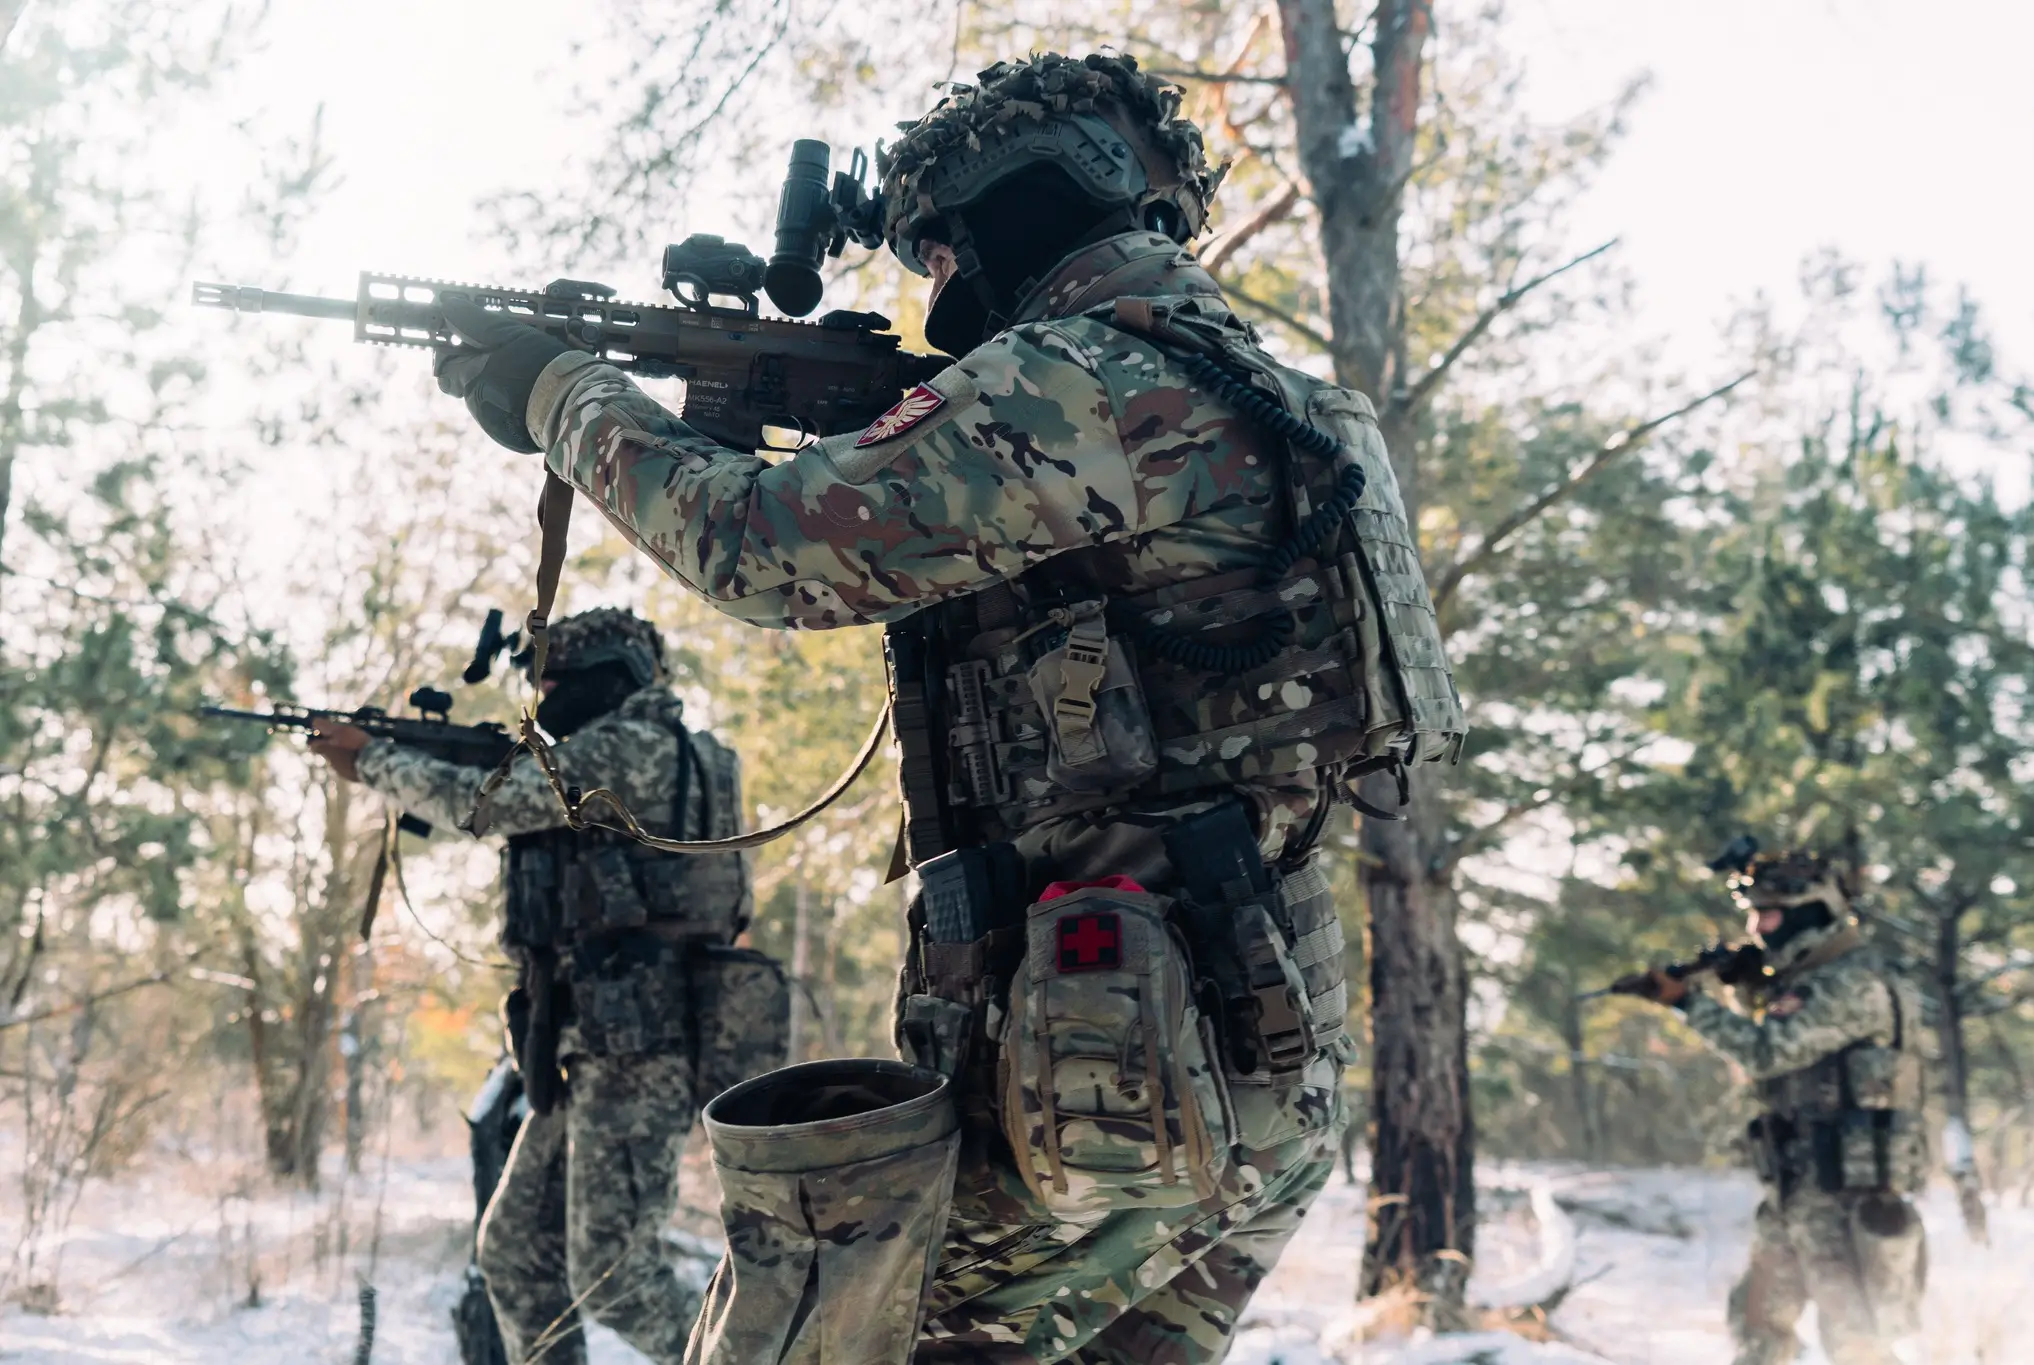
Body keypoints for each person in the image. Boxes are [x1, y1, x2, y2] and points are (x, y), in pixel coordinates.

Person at [430, 52, 1464, 1364]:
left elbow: (769, 550)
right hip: (1254, 1048)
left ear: (1015, 207)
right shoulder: (1259, 387)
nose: (936, 291)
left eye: (937, 251)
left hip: (1107, 1064)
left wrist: (557, 395)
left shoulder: (1084, 376)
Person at [310, 608, 783, 1365]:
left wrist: (374, 761)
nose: (542, 692)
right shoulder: (637, 749)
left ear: (611, 677)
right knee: (515, 1251)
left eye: (555, 677)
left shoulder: (633, 746)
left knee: (618, 1279)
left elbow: (487, 802)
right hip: (593, 1045)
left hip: (641, 1050)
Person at [1641, 844, 1928, 1365]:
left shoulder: (1852, 982)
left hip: (1844, 1192)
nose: (1757, 928)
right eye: (1752, 914)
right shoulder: (1814, 979)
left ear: (1809, 912)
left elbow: (1766, 1051)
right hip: (1798, 1185)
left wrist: (1686, 1002)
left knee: (1856, 1337)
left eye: (1768, 915)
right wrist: (1745, 984)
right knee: (1757, 1319)